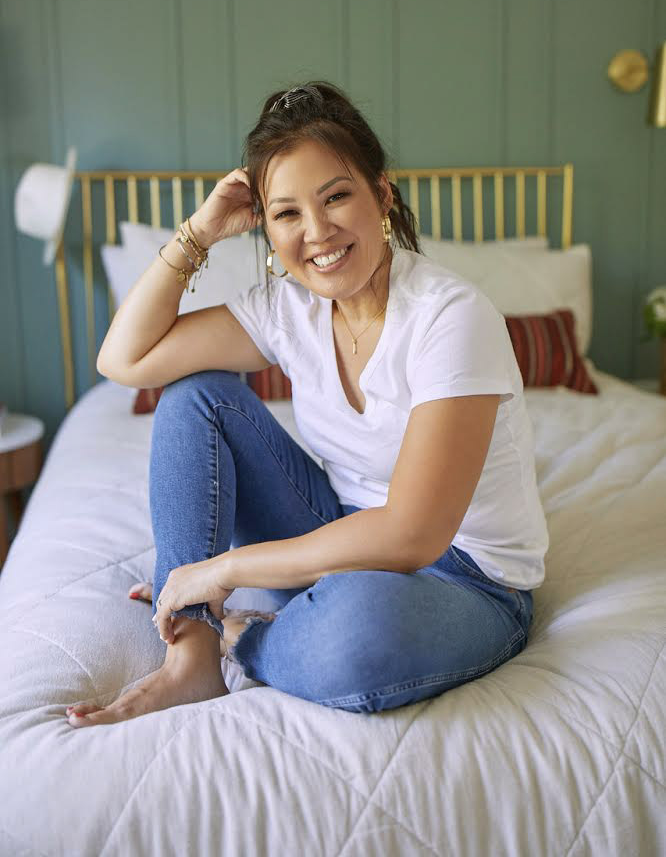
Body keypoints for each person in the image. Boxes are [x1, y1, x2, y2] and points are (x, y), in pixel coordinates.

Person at [66, 80, 548, 727]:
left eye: (337, 197)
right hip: (332, 526)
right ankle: (194, 657)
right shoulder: (286, 308)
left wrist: (224, 568)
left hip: (463, 579)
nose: (317, 233)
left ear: (382, 195)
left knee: (357, 637)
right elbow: (123, 362)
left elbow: (412, 534)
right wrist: (200, 233)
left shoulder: (450, 318)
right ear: (264, 225)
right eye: (287, 213)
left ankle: (245, 635)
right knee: (196, 394)